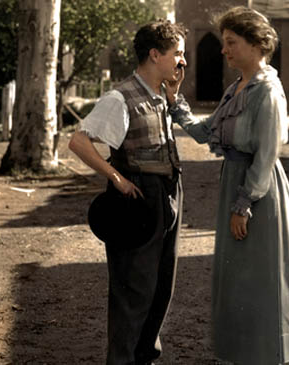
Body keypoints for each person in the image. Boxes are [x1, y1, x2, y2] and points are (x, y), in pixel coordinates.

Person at [165, 6, 289, 364]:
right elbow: (206, 131)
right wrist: (175, 101)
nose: (223, 50)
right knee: (236, 278)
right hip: (235, 184)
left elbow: (267, 155)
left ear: (256, 44)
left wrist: (243, 204)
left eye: (231, 43)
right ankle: (240, 354)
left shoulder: (267, 91)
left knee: (258, 278)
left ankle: (264, 355)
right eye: (223, 43)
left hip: (259, 192)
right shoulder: (238, 87)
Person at [68, 20, 187, 365]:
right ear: (154, 54)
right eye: (176, 53)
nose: (182, 61)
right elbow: (79, 141)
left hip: (168, 192)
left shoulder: (161, 94)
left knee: (161, 288)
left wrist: (173, 95)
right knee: (133, 291)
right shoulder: (120, 98)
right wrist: (116, 178)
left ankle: (143, 358)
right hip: (138, 200)